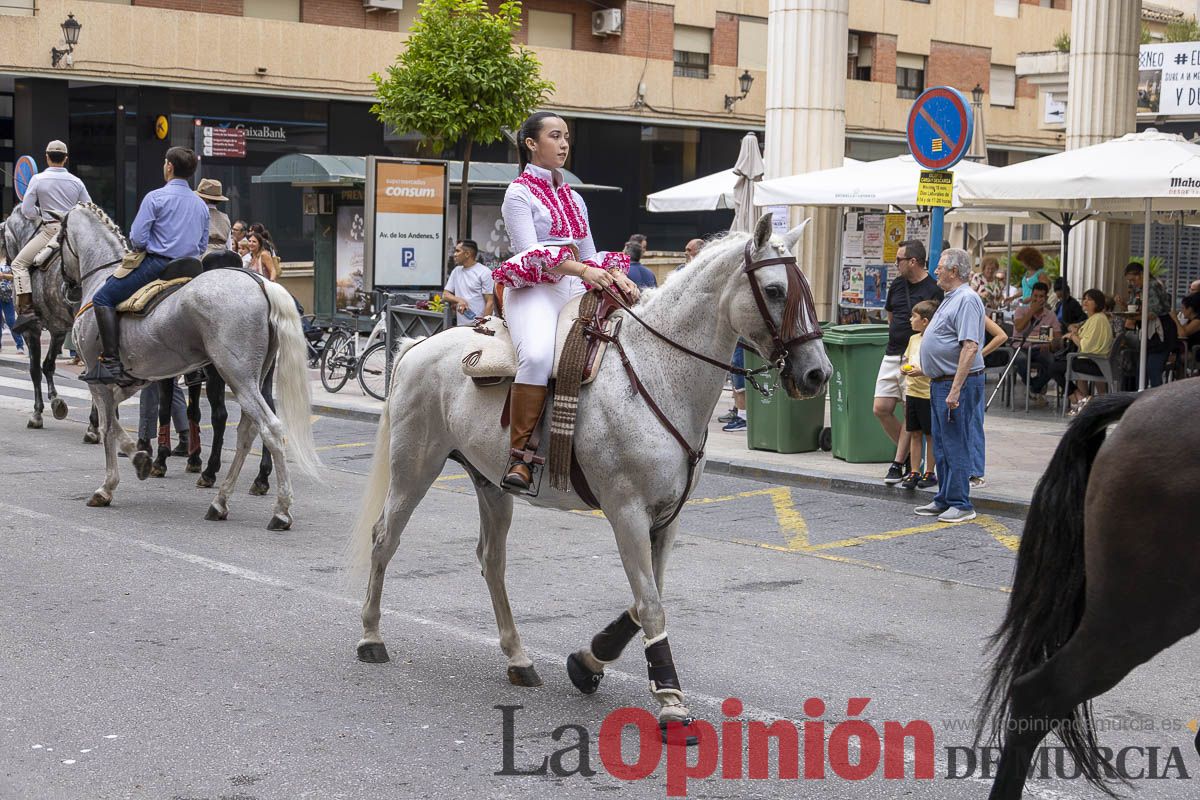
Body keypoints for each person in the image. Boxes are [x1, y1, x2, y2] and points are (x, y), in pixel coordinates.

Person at [492, 112, 638, 492]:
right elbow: (530, 252)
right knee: (538, 356)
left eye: (567, 138)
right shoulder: (518, 194)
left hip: (574, 287)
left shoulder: (574, 197)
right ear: (530, 144)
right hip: (533, 289)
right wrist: (585, 272)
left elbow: (590, 253)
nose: (563, 144)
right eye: (555, 136)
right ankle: (521, 457)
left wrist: (617, 276)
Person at [82, 146, 209, 385]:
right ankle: (195, 367)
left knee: (102, 299)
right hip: (191, 269)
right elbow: (202, 245)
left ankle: (110, 362)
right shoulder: (200, 204)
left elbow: (138, 239)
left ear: (169, 166)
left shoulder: (155, 197)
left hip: (158, 266)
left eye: (164, 163)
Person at [915, 248, 985, 524]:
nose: (935, 272)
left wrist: (955, 389)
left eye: (940, 267)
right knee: (942, 443)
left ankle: (960, 502)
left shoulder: (966, 299)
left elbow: (969, 347)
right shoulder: (951, 298)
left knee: (955, 443)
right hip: (941, 381)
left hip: (955, 383)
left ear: (954, 271)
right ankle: (945, 497)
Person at [876, 239, 943, 485]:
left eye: (899, 260)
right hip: (893, 353)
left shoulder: (934, 289)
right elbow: (891, 317)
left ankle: (900, 462)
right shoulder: (896, 284)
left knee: (909, 413)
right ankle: (906, 459)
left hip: (916, 357)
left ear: (913, 261)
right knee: (881, 408)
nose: (895, 264)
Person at [9, 140, 92, 335]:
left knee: (19, 265)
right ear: (66, 159)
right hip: (73, 233)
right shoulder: (76, 181)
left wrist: (40, 211)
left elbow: (27, 211)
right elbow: (88, 208)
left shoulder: (37, 179)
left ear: (47, 157)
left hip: (50, 232)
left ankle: (26, 310)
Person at [1054, 288, 1115, 415]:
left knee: (1055, 367)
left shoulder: (1098, 319)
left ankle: (1078, 399)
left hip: (1095, 362)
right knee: (1059, 364)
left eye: (1090, 299)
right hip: (1093, 361)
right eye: (1085, 299)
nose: (1085, 301)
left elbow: (1085, 346)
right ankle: (1082, 399)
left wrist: (1071, 336)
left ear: (1098, 303)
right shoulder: (1094, 319)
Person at [898, 300, 938, 491]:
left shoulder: (934, 339)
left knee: (930, 434)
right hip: (912, 391)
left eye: (914, 316)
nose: (910, 319)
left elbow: (937, 366)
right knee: (914, 432)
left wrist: (922, 371)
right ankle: (915, 470)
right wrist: (903, 367)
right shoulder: (913, 339)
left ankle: (930, 471)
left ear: (925, 321)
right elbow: (906, 358)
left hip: (927, 393)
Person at [1118, 261, 1172, 388]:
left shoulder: (1151, 286)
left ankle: (1155, 402)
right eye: (1129, 281)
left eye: (1133, 279)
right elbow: (1135, 307)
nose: (1132, 283)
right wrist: (1125, 307)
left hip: (1159, 330)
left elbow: (1154, 312)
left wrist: (1133, 317)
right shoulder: (1139, 288)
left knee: (1153, 369)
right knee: (1140, 369)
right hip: (1146, 330)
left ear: (1141, 274)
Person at [1011, 282, 1061, 405]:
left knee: (1053, 363)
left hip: (1040, 349)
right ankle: (1034, 387)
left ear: (1046, 298)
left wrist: (1050, 344)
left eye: (1041, 296)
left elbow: (1058, 338)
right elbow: (1018, 327)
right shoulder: (1021, 310)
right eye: (1035, 296)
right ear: (1031, 296)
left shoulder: (1050, 315)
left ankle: (1034, 388)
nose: (1038, 299)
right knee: (1021, 361)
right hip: (1021, 347)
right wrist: (1031, 311)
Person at [443, 239, 494, 326]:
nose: (454, 254)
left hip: (479, 327)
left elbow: (490, 302)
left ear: (467, 254)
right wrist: (459, 300)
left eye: (458, 251)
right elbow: (445, 295)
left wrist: (484, 326)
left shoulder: (484, 272)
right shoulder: (456, 271)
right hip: (461, 326)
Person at [196, 178, 231, 254]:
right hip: (222, 258)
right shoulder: (226, 218)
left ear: (205, 199)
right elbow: (229, 245)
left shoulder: (197, 215)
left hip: (202, 258)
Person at [0, 261, 25, 354]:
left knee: (11, 321)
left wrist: (3, 276)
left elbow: (16, 276)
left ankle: (20, 345)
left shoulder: (9, 261)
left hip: (8, 296)